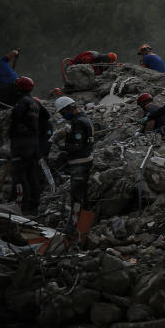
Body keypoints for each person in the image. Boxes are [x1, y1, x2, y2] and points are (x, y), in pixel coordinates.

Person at [54, 96, 94, 234]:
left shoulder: (78, 123)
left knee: (77, 198)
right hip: (86, 161)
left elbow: (76, 145)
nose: (63, 116)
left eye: (63, 113)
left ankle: (73, 227)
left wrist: (62, 147)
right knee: (84, 197)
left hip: (79, 164)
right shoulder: (84, 119)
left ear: (69, 109)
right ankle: (84, 227)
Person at [9, 76, 43, 215]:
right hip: (34, 144)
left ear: (19, 88)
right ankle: (34, 207)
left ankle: (22, 206)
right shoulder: (35, 103)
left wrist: (15, 132)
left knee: (20, 176)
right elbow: (45, 117)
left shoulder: (22, 102)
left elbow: (15, 119)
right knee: (32, 175)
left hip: (21, 145)